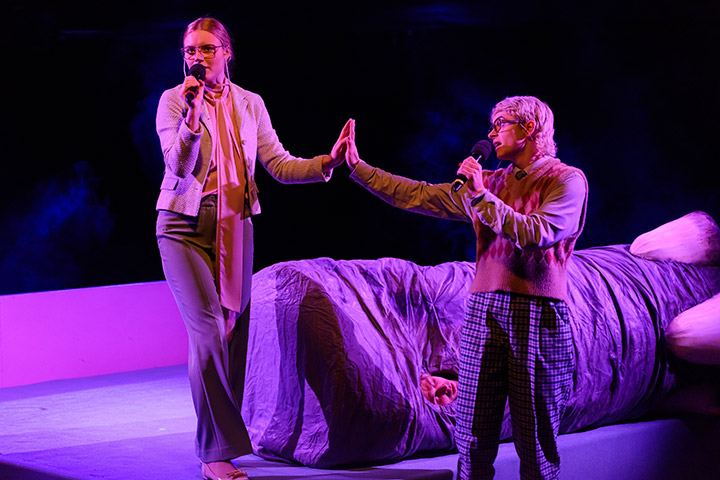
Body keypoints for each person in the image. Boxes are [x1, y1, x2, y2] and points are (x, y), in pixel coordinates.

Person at [346, 95, 588, 479]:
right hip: (483, 312)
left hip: (537, 316)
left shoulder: (566, 179)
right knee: (472, 434)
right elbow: (419, 194)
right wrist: (359, 169)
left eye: (501, 123)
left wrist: (479, 197)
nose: (491, 133)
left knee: (535, 440)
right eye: (492, 125)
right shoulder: (491, 182)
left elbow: (537, 233)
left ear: (528, 129)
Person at [154, 17, 351, 480]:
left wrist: (327, 162)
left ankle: (224, 437)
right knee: (207, 333)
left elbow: (278, 164)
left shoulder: (250, 103)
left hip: (235, 226)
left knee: (231, 335)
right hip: (182, 227)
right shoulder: (174, 101)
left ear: (226, 53)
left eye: (206, 48)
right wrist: (193, 117)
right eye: (190, 50)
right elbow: (178, 166)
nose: (197, 57)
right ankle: (215, 451)